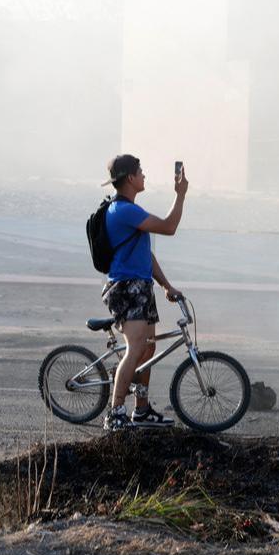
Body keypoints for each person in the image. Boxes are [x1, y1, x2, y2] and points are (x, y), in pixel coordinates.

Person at [100, 154, 188, 431]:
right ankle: (115, 414)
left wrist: (165, 285)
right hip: (126, 287)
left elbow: (144, 255)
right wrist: (181, 195)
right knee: (136, 347)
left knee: (148, 348)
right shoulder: (123, 211)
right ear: (130, 178)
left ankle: (142, 410)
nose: (144, 175)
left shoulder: (131, 211)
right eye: (140, 171)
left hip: (141, 286)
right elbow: (169, 227)